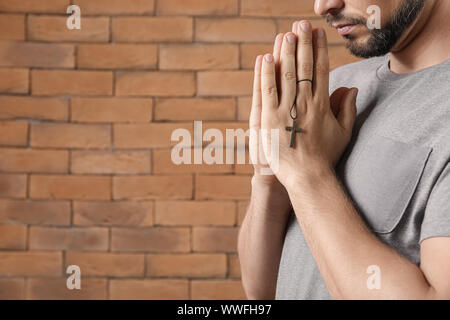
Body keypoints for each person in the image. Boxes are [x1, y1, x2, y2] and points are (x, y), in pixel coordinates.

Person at [238, 0, 450, 299]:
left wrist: (308, 175)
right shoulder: (330, 92)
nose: (323, 5)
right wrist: (268, 178)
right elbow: (263, 291)